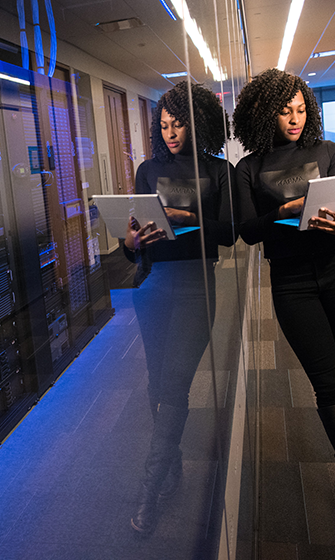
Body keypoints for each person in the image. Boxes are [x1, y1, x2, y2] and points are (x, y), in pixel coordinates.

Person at [231, 68, 335, 545]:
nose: (295, 118)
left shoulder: (328, 152)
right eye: (285, 111)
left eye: (302, 109)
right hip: (292, 283)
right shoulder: (249, 168)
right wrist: (281, 212)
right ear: (265, 113)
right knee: (327, 385)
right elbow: (247, 230)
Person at [122, 81, 234, 534]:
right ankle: (172, 466)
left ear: (198, 121)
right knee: (155, 385)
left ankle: (149, 491)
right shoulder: (147, 170)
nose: (170, 132)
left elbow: (229, 234)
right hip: (153, 286)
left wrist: (189, 218)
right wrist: (131, 242)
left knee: (175, 386)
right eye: (164, 125)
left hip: (195, 288)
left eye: (179, 123)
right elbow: (134, 245)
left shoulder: (218, 170)